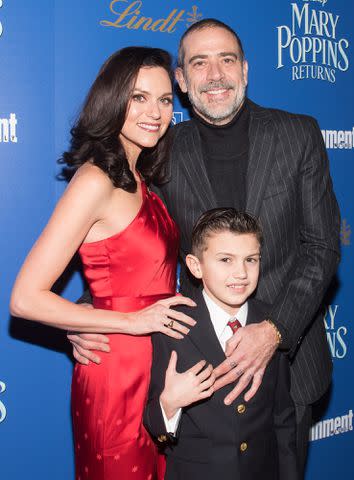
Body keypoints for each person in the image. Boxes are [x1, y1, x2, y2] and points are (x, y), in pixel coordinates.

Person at [69, 19, 340, 475]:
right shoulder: (164, 148)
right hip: (198, 379)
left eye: (226, 60)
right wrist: (89, 314)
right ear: (182, 80)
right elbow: (133, 239)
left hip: (289, 372)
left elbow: (322, 247)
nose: (215, 75)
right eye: (200, 63)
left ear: (246, 70)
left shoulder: (298, 134)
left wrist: (273, 331)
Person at [10, 47, 197, 480]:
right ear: (114, 101)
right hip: (116, 373)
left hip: (158, 367)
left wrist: (94, 310)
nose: (155, 112)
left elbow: (120, 271)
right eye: (139, 98)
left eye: (166, 100)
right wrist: (130, 321)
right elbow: (24, 298)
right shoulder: (94, 180)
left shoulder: (141, 176)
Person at [144, 208, 299, 480]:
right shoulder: (173, 328)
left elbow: (282, 418)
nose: (241, 272)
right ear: (195, 266)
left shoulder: (270, 324)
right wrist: (170, 403)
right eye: (226, 259)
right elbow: (152, 422)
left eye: (251, 260)